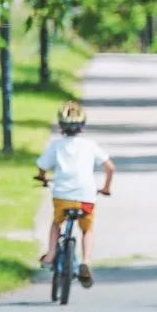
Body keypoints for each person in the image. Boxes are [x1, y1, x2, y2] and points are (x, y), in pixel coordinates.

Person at [36, 102, 114, 288]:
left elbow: (42, 166)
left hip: (62, 196)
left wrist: (42, 178)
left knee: (57, 222)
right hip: (86, 197)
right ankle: (86, 261)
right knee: (87, 229)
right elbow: (110, 167)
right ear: (82, 126)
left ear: (61, 126)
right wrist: (106, 187)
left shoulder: (56, 145)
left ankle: (51, 254)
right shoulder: (90, 145)